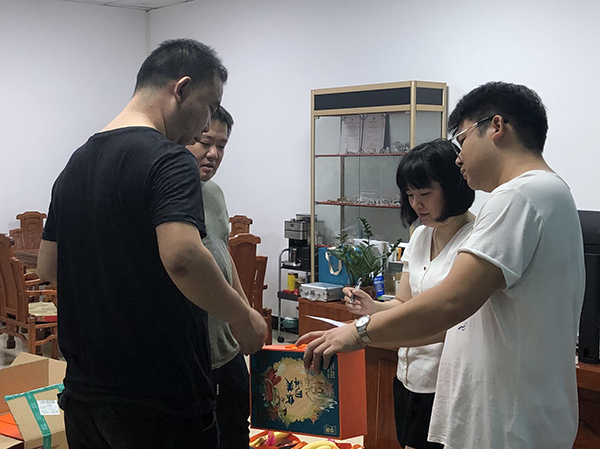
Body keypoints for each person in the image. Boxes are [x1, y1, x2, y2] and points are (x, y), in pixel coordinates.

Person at [298, 81, 585, 449]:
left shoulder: (519, 196)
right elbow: (449, 318)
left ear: (496, 127)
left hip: (507, 423)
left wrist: (357, 333)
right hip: (519, 416)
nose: (459, 158)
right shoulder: (553, 193)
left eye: (462, 140)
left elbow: (450, 303)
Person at [37, 39, 267, 449]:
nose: (205, 123)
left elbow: (48, 266)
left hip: (85, 396)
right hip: (159, 400)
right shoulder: (169, 159)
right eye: (209, 106)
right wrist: (241, 316)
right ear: (181, 89)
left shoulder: (77, 161)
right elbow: (183, 256)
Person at [344, 139, 474, 449]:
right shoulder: (420, 236)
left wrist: (362, 334)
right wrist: (372, 307)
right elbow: (405, 303)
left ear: (453, 187)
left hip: (448, 382)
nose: (416, 204)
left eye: (425, 194)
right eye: (410, 195)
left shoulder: (476, 240)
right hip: (408, 375)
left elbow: (457, 321)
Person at [186, 106, 252, 449]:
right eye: (204, 141)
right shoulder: (164, 194)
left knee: (236, 430)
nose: (213, 153)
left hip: (227, 345)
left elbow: (224, 256)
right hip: (191, 353)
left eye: (221, 146)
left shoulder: (214, 193)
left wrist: (246, 312)